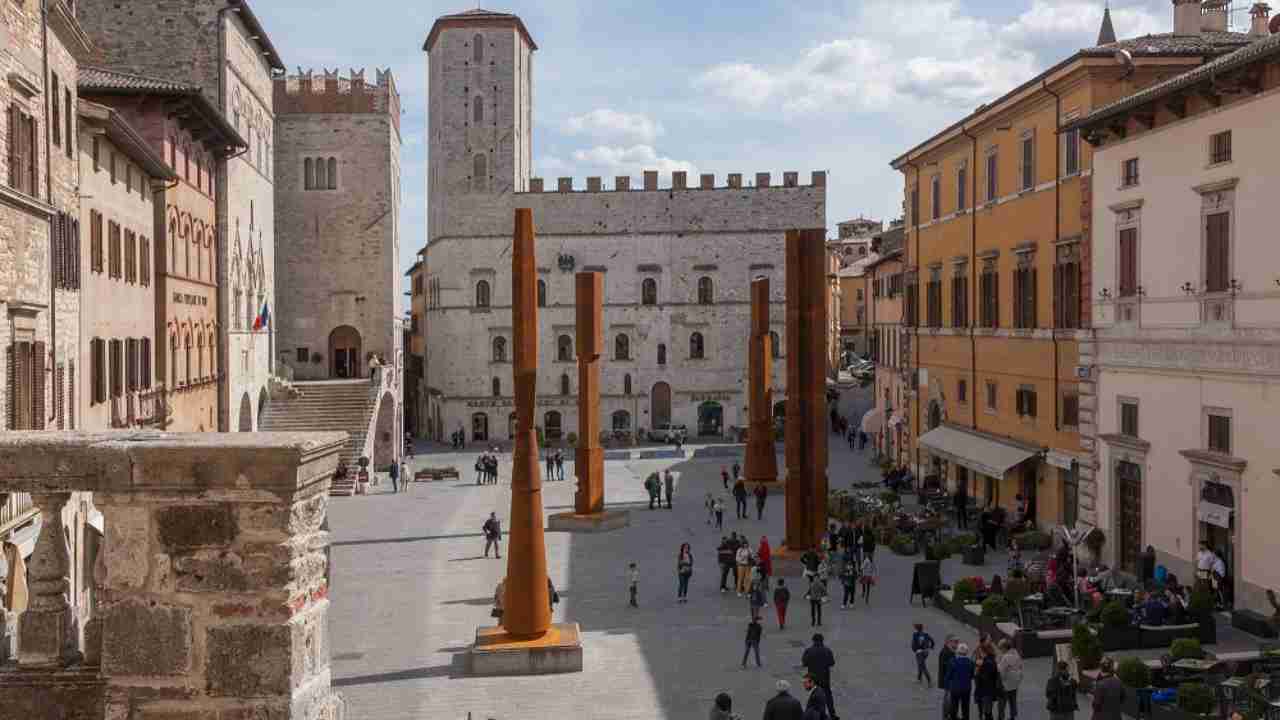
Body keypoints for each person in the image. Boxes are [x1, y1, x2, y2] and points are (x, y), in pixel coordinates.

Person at [801, 634, 838, 720]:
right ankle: (832, 714)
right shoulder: (827, 650)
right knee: (828, 697)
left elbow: (804, 663)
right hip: (825, 678)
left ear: (813, 640)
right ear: (822, 640)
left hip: (813, 679)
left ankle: (817, 716)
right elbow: (832, 663)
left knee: (814, 697)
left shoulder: (808, 651)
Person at [946, 643, 975, 720]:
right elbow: (972, 675)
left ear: (957, 652)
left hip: (955, 687)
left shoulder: (952, 661)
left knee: (954, 706)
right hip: (966, 688)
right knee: (965, 707)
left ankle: (953, 718)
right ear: (967, 652)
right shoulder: (971, 663)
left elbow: (948, 675)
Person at [996, 639, 1022, 720]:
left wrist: (997, 664)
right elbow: (1020, 667)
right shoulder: (1016, 655)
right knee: (1013, 701)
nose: (1000, 650)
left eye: (1000, 648)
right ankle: (1012, 716)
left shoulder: (1005, 657)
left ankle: (1001, 717)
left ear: (1004, 648)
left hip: (1005, 684)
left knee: (1002, 703)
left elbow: (1000, 670)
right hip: (1015, 683)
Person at [974, 645, 1000, 720]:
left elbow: (980, 675)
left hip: (985, 689)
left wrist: (978, 669)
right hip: (991, 688)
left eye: (980, 652)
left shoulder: (983, 662)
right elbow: (995, 674)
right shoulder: (992, 660)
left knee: (987, 711)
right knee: (989, 710)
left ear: (983, 652)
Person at [940, 635, 958, 720]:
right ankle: (946, 716)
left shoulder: (950, 651)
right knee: (948, 698)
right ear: (948, 642)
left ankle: (950, 715)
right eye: (955, 642)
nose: (957, 644)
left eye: (957, 642)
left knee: (950, 698)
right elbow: (946, 665)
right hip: (948, 679)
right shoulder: (946, 652)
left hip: (950, 679)